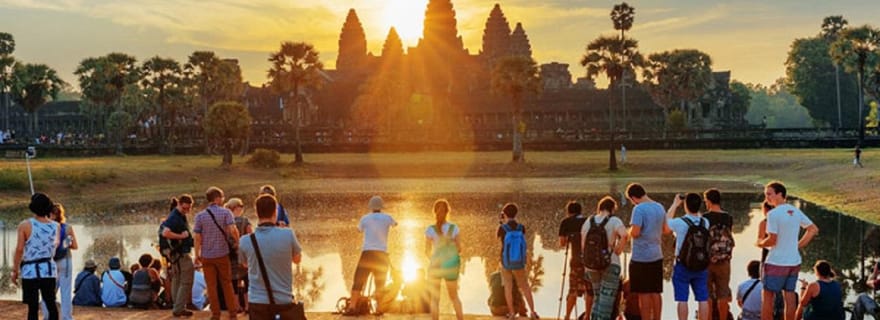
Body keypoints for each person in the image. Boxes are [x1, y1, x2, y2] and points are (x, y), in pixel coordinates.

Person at [757, 181, 819, 320]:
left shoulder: (773, 214)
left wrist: (760, 243)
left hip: (776, 262)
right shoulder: (795, 211)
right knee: (789, 296)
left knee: (767, 297)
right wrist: (797, 245)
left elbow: (772, 240)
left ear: (780, 194)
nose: (767, 197)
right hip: (794, 261)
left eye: (769, 194)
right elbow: (813, 229)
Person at [238, 193, 303, 320]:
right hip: (283, 300)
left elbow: (245, 264)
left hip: (257, 302)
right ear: (275, 211)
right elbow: (297, 259)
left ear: (256, 213)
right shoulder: (288, 235)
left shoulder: (245, 241)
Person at [344, 195, 397, 315]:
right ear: (381, 207)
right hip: (381, 254)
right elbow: (395, 224)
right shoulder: (388, 218)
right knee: (380, 282)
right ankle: (378, 309)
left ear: (371, 207)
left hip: (367, 253)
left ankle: (352, 307)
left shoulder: (365, 219)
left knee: (358, 280)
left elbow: (359, 230)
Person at [193, 186, 240, 320]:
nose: (223, 199)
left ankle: (215, 314)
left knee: (211, 286)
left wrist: (197, 255)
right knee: (227, 283)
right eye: (223, 197)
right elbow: (233, 230)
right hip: (222, 254)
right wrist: (238, 243)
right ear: (218, 198)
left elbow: (197, 237)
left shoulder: (200, 216)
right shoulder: (226, 213)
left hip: (207, 256)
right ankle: (232, 313)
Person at [13, 193, 60, 320]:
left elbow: (19, 249)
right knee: (51, 304)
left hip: (30, 271)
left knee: (33, 307)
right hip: (49, 270)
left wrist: (15, 270)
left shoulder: (25, 225)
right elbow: (54, 246)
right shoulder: (56, 226)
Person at [581, 196, 628, 320]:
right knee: (606, 302)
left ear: (599, 208)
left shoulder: (588, 221)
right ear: (612, 209)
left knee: (597, 298)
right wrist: (618, 250)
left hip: (591, 265)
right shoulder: (614, 220)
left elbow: (583, 245)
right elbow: (624, 235)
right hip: (610, 263)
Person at [626, 183, 667, 320]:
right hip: (657, 254)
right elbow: (665, 229)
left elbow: (636, 232)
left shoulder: (639, 209)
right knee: (656, 292)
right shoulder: (659, 207)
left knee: (643, 293)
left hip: (641, 257)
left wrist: (629, 231)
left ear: (633, 198)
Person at [666, 193, 710, 320]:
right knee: (702, 299)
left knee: (682, 299)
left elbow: (666, 226)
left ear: (685, 206)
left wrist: (675, 204)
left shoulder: (680, 222)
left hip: (683, 264)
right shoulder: (705, 222)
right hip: (701, 264)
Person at [497, 203, 539, 320]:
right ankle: (533, 312)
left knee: (508, 287)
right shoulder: (521, 227)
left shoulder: (502, 228)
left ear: (504, 214)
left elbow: (500, 241)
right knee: (525, 286)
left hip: (506, 262)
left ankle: (511, 313)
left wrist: (501, 223)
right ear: (516, 214)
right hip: (519, 261)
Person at [424, 199, 463, 320]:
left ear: (434, 212)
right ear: (448, 211)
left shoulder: (430, 230)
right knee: (454, 296)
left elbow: (426, 251)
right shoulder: (454, 228)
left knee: (435, 298)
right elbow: (459, 248)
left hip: (436, 265)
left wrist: (435, 259)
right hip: (450, 265)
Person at [40, 204, 77, 320]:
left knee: (48, 292)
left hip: (50, 262)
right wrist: (66, 244)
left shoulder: (44, 228)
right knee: (66, 292)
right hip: (65, 261)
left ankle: (47, 316)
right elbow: (75, 246)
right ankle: (67, 317)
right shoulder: (68, 228)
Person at [160, 194, 196, 317]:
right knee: (187, 280)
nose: (187, 211)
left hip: (175, 254)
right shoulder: (175, 217)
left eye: (189, 208)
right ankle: (179, 308)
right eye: (185, 208)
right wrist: (182, 236)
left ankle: (179, 306)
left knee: (177, 280)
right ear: (179, 204)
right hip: (181, 253)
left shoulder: (177, 215)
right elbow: (165, 232)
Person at [702, 189, 734, 320]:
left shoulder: (704, 218)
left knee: (707, 295)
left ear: (708, 201)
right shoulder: (728, 217)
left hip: (708, 260)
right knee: (723, 294)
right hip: (724, 261)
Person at [558, 201, 590, 320]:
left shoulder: (566, 222)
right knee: (589, 290)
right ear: (580, 211)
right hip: (589, 261)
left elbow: (562, 243)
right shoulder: (588, 221)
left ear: (568, 212)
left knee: (573, 290)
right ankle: (588, 315)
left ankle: (567, 316)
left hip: (575, 261)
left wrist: (569, 239)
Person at [227, 197, 253, 313]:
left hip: (231, 255)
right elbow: (251, 236)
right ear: (236, 207)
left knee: (234, 281)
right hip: (244, 255)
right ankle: (247, 306)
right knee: (246, 280)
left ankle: (237, 306)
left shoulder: (226, 222)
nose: (242, 208)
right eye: (241, 206)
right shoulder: (245, 221)